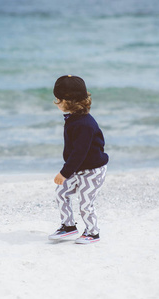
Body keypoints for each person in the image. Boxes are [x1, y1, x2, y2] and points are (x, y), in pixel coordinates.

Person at [48, 75, 109, 244]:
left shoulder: (84, 124)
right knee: (61, 193)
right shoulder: (73, 118)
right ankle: (68, 226)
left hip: (92, 171)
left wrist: (64, 172)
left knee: (85, 204)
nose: (56, 102)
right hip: (77, 168)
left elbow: (79, 153)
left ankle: (93, 232)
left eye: (58, 99)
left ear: (69, 102)